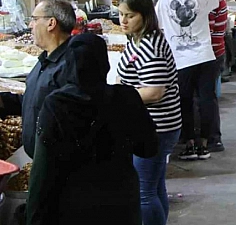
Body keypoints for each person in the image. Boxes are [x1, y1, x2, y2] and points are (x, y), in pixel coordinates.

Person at [27, 34, 158, 225]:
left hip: (72, 206)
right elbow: (149, 148)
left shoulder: (57, 105)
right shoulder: (126, 98)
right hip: (120, 204)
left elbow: (43, 171)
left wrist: (34, 217)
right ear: (104, 64)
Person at [116, 0, 182, 225]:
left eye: (129, 15)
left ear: (145, 16)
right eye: (121, 14)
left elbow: (154, 92)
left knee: (144, 193)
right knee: (155, 186)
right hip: (151, 125)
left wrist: (121, 95)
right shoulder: (138, 40)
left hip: (156, 127)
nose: (123, 20)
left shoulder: (150, 47)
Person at [155, 0, 220, 161]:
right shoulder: (200, 0)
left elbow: (158, 26)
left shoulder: (162, 3)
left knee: (185, 102)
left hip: (181, 62)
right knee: (206, 101)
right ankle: (205, 144)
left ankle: (189, 144)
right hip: (206, 58)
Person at [0, 0, 75, 158]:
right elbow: (33, 102)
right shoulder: (43, 61)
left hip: (59, 164)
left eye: (34, 19)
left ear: (51, 23)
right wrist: (3, 101)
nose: (30, 25)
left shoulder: (71, 65)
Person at [187, 0, 227, 152]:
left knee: (203, 98)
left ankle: (209, 138)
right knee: (208, 96)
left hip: (208, 54)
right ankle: (210, 137)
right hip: (216, 51)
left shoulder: (206, 0)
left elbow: (207, 30)